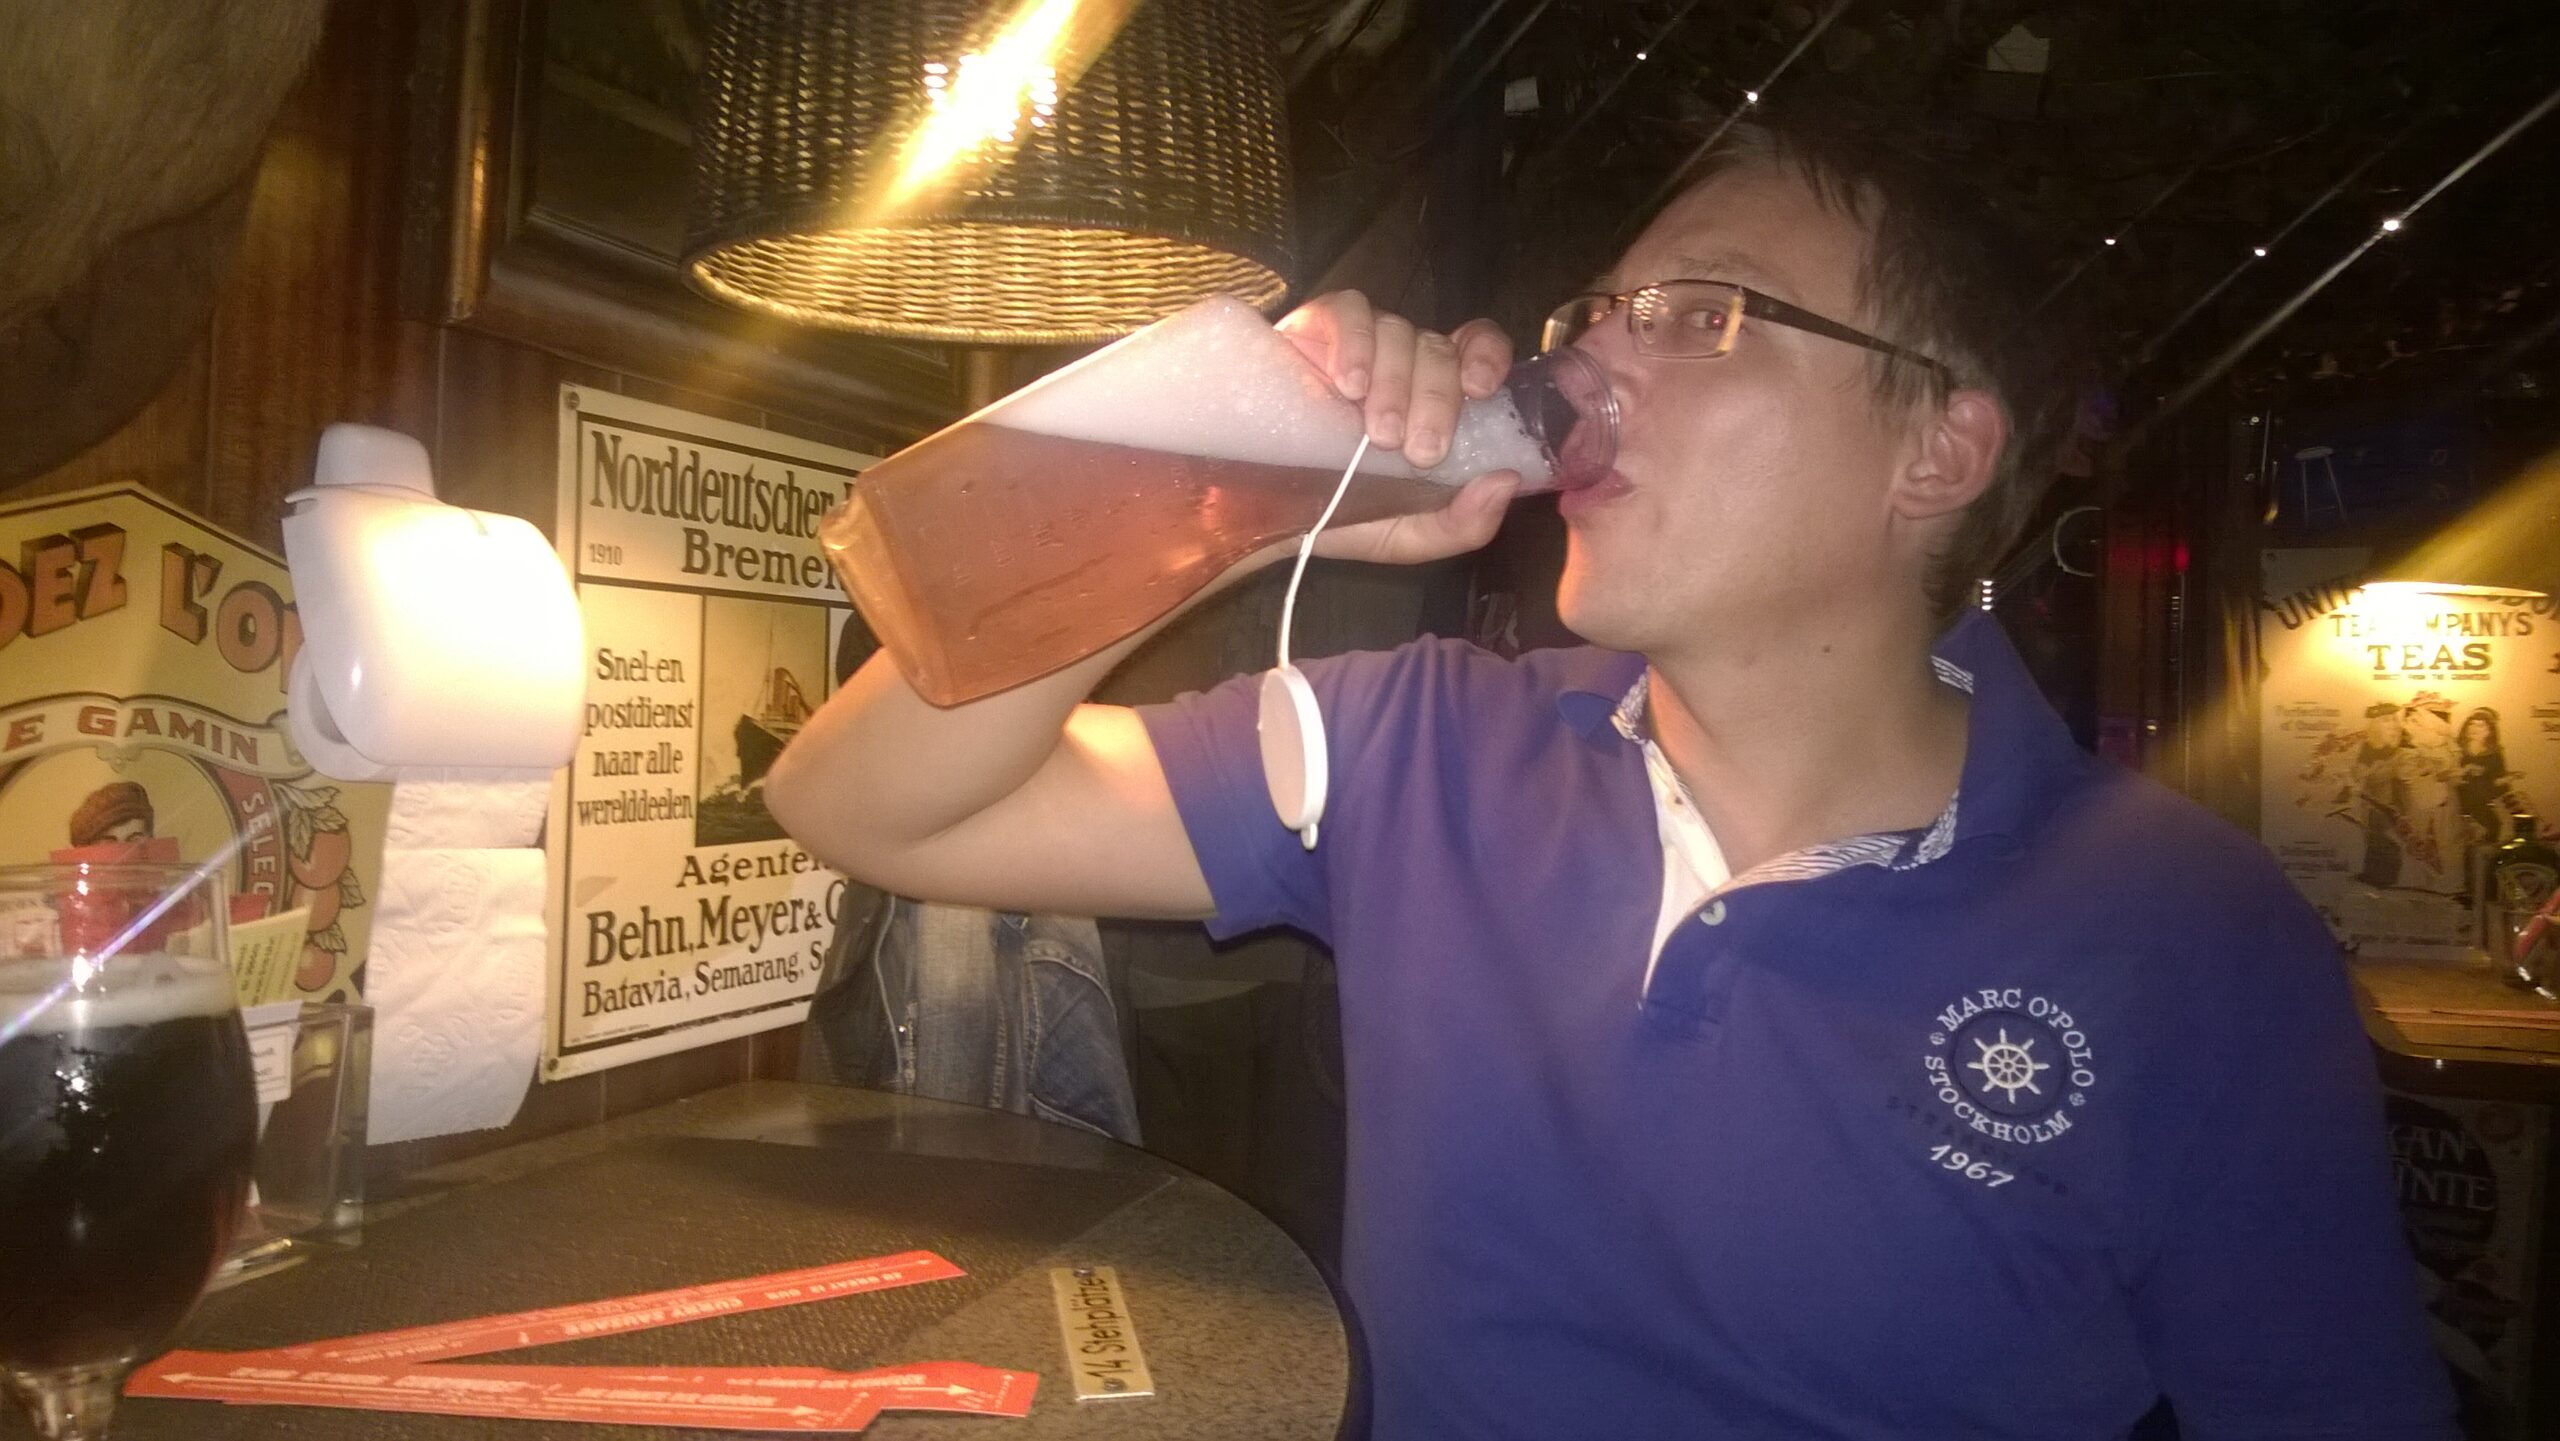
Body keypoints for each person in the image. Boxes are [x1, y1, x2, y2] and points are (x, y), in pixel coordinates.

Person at [769, 123, 2450, 1440]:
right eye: (1591, 319)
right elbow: (858, 803)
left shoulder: (2190, 937)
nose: (1578, 373)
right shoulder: (1423, 746)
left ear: (1936, 447)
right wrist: (1241, 487)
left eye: (1702, 317)